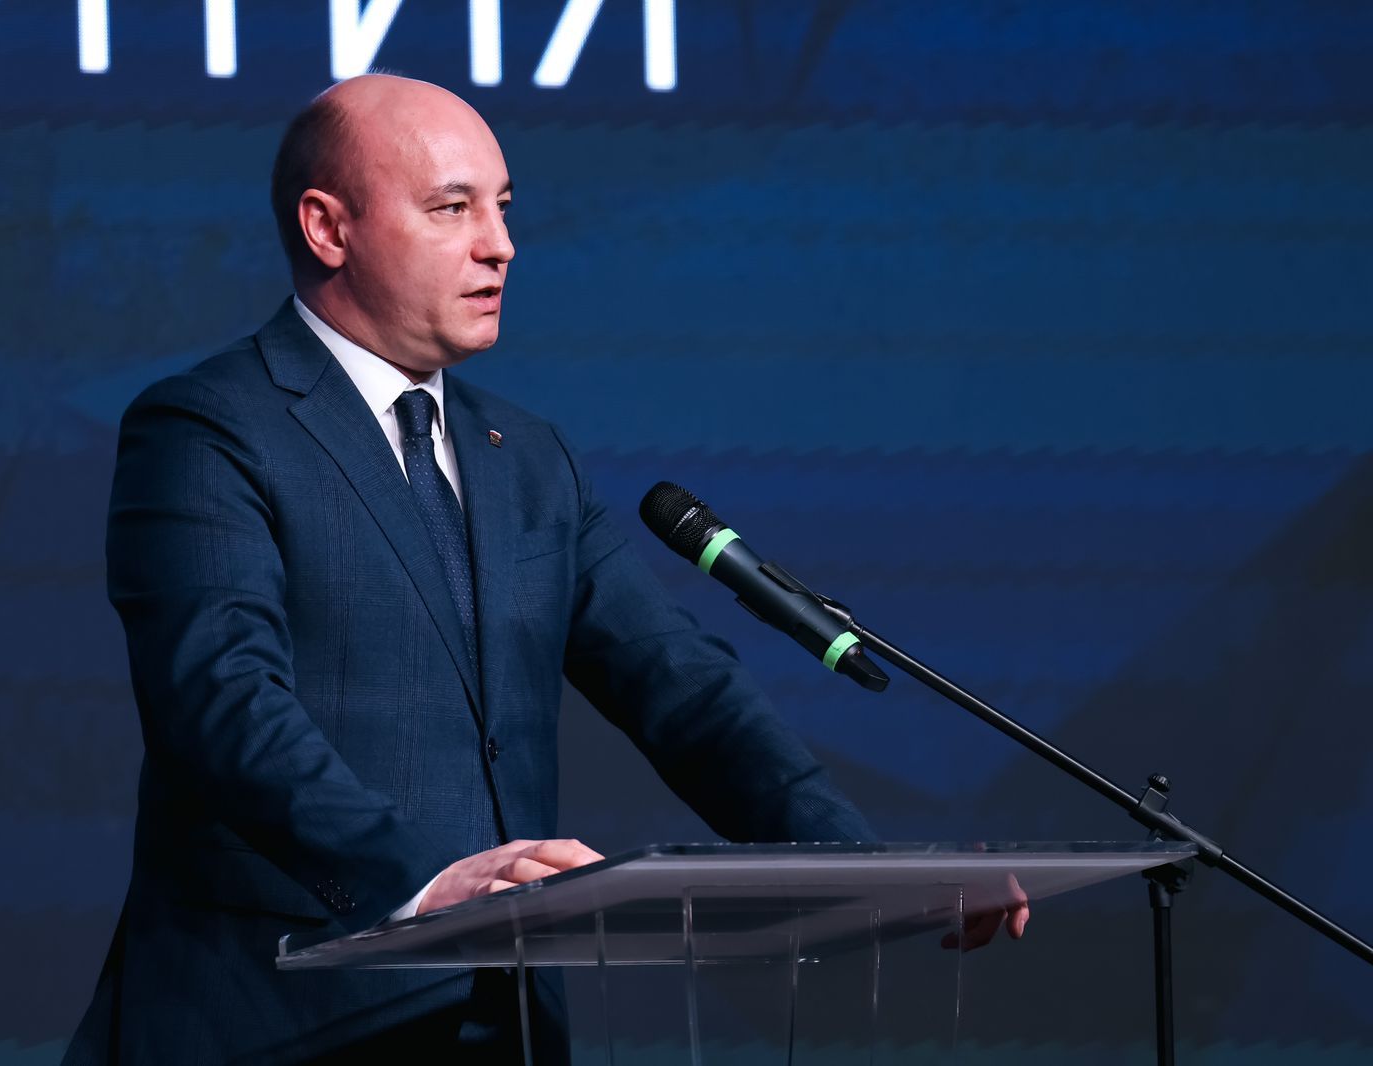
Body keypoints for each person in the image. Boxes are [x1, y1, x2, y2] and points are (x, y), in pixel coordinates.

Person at [64, 74, 1024, 1065]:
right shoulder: (209, 428)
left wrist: (864, 869)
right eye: (452, 208)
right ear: (327, 228)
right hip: (278, 1018)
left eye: (504, 206)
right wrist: (419, 886)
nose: (500, 244)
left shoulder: (526, 457)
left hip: (502, 1025)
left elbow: (682, 688)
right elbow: (219, 704)